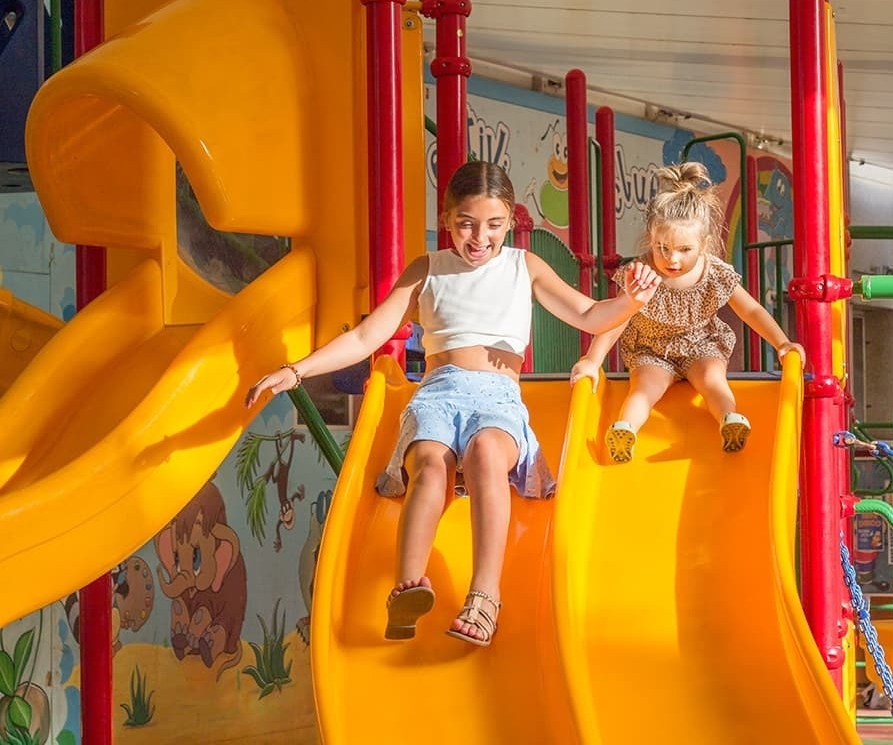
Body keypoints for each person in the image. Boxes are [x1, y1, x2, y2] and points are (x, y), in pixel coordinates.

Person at [245, 161, 660, 647]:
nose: (479, 237)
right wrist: (295, 371)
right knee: (428, 463)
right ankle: (408, 584)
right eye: (466, 223)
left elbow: (589, 315)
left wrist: (630, 301)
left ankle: (485, 595)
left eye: (494, 225)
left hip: (497, 395)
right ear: (446, 219)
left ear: (510, 222)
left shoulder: (522, 267)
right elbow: (365, 336)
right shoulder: (427, 269)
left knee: (486, 452)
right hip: (438, 392)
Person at [569, 161, 805, 463]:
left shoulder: (715, 273)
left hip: (701, 345)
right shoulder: (643, 273)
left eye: (684, 249)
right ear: (650, 239)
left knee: (712, 379)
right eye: (662, 247)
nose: (672, 258)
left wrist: (782, 343)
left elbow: (751, 310)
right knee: (644, 389)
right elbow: (617, 318)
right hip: (652, 350)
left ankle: (729, 420)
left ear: (704, 244)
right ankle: (625, 431)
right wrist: (592, 360)